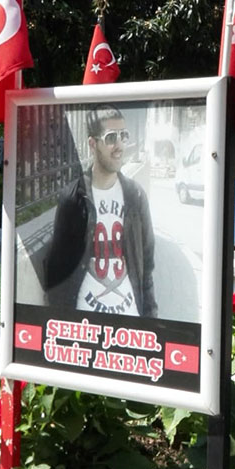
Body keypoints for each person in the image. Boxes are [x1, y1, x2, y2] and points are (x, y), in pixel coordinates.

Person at [45, 104, 157, 317]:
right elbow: (57, 270)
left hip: (130, 322)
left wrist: (151, 319)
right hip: (86, 321)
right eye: (111, 138)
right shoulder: (73, 199)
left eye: (123, 136)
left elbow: (147, 266)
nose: (119, 146)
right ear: (92, 144)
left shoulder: (136, 196)